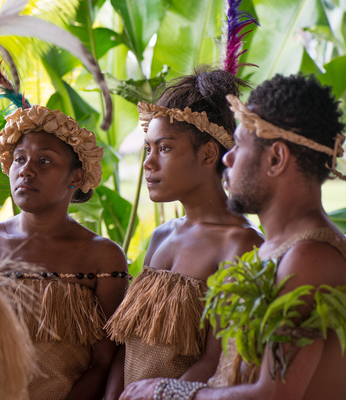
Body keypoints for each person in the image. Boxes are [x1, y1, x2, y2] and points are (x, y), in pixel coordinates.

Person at [120, 74, 346, 400]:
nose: (227, 158)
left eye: (240, 144)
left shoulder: (309, 258)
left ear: (276, 158)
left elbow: (273, 395)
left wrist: (164, 391)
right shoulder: (280, 250)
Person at [105, 68, 264, 399]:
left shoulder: (240, 245)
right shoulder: (162, 236)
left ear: (207, 154)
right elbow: (127, 343)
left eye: (163, 148)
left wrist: (158, 394)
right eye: (148, 149)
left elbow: (218, 360)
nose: (148, 163)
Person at [0, 104, 129, 400]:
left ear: (76, 178)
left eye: (44, 161)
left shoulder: (102, 256)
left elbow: (106, 360)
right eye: (19, 159)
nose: (26, 170)